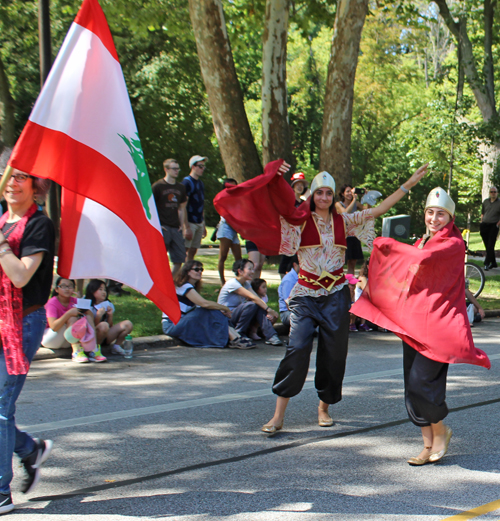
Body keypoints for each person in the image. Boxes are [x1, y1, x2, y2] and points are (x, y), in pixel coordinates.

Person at [352, 187, 490, 465]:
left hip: (440, 326)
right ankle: (428, 445)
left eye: (441, 214)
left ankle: (441, 430)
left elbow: (420, 261)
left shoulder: (453, 243)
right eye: (430, 213)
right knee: (411, 387)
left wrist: (386, 245)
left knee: (421, 383)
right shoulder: (421, 242)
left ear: (449, 218)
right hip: (415, 323)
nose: (434, 218)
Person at [0, 169, 55, 513]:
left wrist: (2, 245)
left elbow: (19, 276)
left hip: (23, 323)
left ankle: (1, 492)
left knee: (1, 409)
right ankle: (29, 450)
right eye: (8, 174)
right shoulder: (3, 219)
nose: (11, 182)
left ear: (36, 187)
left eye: (21, 177)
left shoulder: (40, 225)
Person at [162, 260, 254, 349]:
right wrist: (224, 308)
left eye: (201, 269)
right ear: (187, 272)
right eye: (196, 269)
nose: (200, 272)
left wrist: (219, 309)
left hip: (181, 321)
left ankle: (236, 337)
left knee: (212, 310)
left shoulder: (189, 287)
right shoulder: (183, 286)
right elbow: (204, 303)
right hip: (172, 325)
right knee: (207, 309)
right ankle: (235, 339)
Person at [218, 259, 282, 346]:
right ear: (240, 271)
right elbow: (253, 297)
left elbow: (257, 298)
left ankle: (271, 336)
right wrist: (269, 309)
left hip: (236, 315)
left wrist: (268, 312)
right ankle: (239, 333)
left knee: (257, 304)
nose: (253, 271)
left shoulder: (246, 284)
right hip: (227, 317)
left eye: (253, 269)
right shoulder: (232, 283)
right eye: (250, 269)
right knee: (252, 304)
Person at [42, 277, 106, 363]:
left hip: (67, 340)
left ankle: (93, 349)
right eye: (63, 286)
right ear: (57, 289)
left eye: (70, 286)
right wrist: (68, 313)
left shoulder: (75, 301)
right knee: (72, 317)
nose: (67, 289)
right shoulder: (52, 303)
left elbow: (90, 317)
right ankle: (76, 352)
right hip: (51, 339)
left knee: (86, 316)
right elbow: (53, 327)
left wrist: (84, 307)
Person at [152, 158, 191, 277]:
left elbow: (181, 208)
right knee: (160, 258)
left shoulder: (181, 187)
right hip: (163, 226)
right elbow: (150, 208)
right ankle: (158, 282)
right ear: (166, 169)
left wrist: (183, 226)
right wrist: (157, 225)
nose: (177, 171)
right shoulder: (158, 186)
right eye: (174, 168)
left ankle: (170, 282)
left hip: (176, 228)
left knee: (180, 258)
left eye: (178, 168)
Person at [85, 279, 134, 355]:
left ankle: (116, 346)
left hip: (105, 335)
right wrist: (98, 316)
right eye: (100, 289)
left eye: (105, 289)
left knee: (128, 324)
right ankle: (94, 350)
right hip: (92, 336)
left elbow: (110, 326)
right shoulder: (87, 304)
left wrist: (110, 315)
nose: (103, 292)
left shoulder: (108, 304)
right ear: (92, 290)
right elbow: (91, 327)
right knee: (103, 325)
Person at [279, 173, 308, 278]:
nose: (300, 187)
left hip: (301, 235)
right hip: (290, 234)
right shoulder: (288, 201)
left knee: (299, 258)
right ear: (293, 186)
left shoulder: (304, 203)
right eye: (297, 184)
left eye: (302, 185)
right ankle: (284, 282)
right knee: (286, 258)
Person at [216, 179, 242, 285]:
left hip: (234, 229)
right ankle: (222, 282)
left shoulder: (237, 199)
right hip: (226, 228)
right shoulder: (222, 198)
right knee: (223, 256)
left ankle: (239, 280)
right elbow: (226, 216)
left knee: (238, 258)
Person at [335, 184, 364, 275]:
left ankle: (350, 284)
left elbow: (368, 210)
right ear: (342, 194)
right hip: (343, 236)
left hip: (354, 235)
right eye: (347, 191)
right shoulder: (338, 204)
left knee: (352, 262)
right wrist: (354, 200)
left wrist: (366, 198)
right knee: (340, 262)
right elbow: (345, 213)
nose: (349, 193)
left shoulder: (356, 204)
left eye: (351, 191)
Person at [183, 155, 207, 262]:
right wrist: (186, 226)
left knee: (193, 250)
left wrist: (203, 224)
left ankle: (188, 271)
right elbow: (182, 206)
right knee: (185, 249)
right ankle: (179, 275)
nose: (202, 169)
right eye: (200, 166)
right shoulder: (187, 182)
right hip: (190, 221)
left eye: (203, 166)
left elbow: (201, 204)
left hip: (199, 221)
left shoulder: (201, 183)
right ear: (193, 167)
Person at [480, 186, 500, 270]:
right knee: (487, 245)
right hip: (484, 224)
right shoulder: (485, 202)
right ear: (489, 193)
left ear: (497, 193)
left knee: (490, 245)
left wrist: (498, 224)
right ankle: (494, 263)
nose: (493, 193)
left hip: (493, 225)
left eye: (494, 192)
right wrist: (481, 221)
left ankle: (487, 263)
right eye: (491, 192)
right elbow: (482, 213)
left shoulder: (499, 202)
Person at [278, 255, 299, 327]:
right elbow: (288, 304)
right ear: (295, 265)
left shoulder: (301, 277)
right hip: (287, 313)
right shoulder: (289, 280)